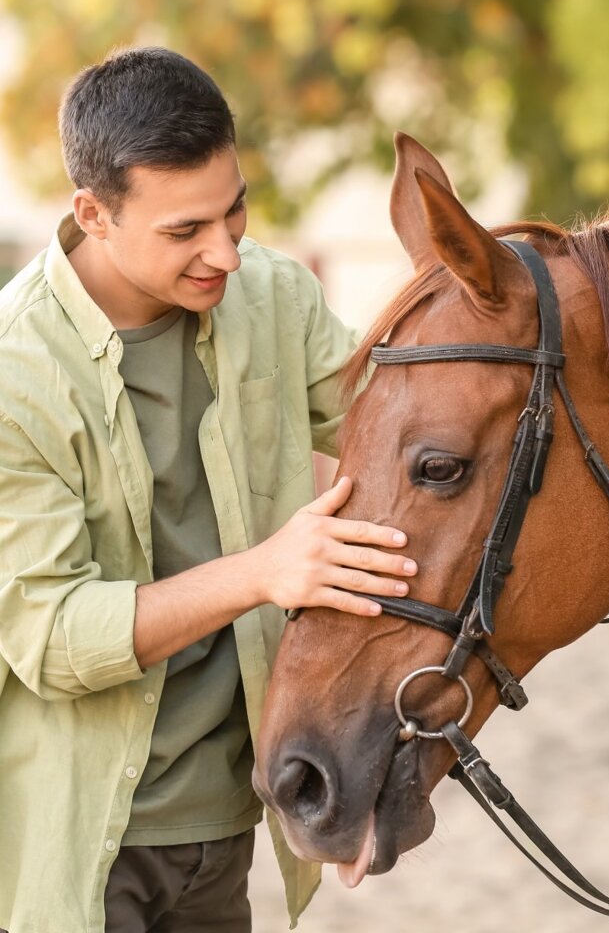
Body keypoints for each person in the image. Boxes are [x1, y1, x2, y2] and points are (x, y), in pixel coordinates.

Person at [0, 46, 416, 933]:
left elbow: (404, 440)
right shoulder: (13, 374)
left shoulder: (271, 293)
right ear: (93, 214)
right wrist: (264, 572)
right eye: (186, 230)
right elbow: (53, 636)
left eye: (235, 211)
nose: (224, 252)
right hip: (82, 840)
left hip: (226, 825)